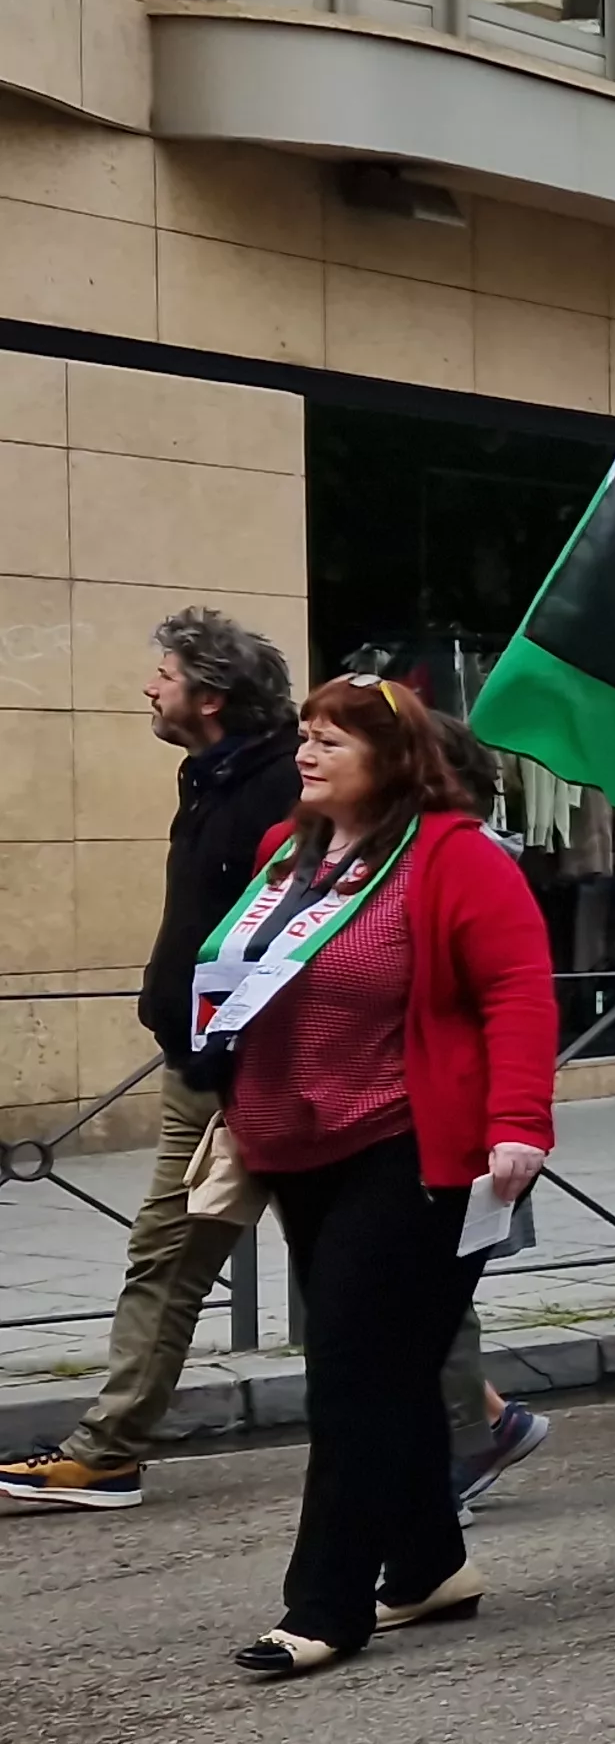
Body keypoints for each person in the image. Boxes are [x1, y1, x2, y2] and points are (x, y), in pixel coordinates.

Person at [213, 675, 556, 1675]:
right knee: (390, 1366)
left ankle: (325, 1606)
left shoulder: (454, 857)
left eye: (330, 741)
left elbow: (519, 993)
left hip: (413, 1144)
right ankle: (428, 1564)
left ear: (392, 761)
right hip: (297, 1143)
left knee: (353, 1375)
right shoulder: (292, 850)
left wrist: (519, 1121)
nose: (306, 754)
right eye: (304, 737)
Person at [2, 610, 305, 1512]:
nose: (149, 686)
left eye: (164, 673)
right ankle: (108, 1451)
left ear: (209, 694)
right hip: (203, 1073)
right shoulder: (211, 776)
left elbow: (302, 933)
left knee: (352, 1263)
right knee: (167, 1261)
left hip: (275, 1078)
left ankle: (463, 1430)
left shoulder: (286, 784)